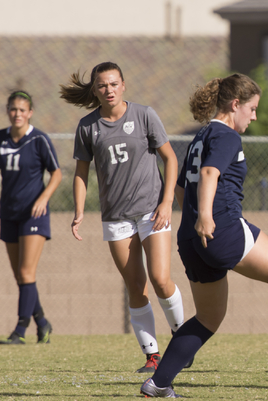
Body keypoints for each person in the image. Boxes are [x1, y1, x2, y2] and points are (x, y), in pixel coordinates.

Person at [140, 73, 268, 398]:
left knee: (209, 317)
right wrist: (209, 217)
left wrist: (197, 220)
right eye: (252, 109)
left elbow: (183, 187)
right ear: (235, 104)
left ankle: (158, 382)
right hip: (221, 228)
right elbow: (211, 173)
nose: (254, 116)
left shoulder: (200, 136)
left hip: (190, 238)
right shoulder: (227, 136)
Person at [59, 62, 185, 373]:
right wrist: (78, 212)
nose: (109, 90)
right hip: (116, 217)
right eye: (102, 85)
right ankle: (152, 355)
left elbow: (170, 159)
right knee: (136, 286)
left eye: (114, 84)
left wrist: (167, 202)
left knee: (160, 278)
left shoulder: (144, 115)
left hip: (152, 210)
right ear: (95, 90)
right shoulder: (88, 126)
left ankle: (183, 340)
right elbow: (81, 173)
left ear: (123, 85)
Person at [0, 90, 61, 345]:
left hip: (33, 215)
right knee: (21, 276)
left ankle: (20, 329)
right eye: (13, 109)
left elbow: (56, 173)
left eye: (22, 110)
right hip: (9, 213)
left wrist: (43, 198)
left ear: (30, 113)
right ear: (8, 111)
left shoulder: (38, 139)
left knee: (26, 273)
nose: (17, 114)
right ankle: (43, 323)